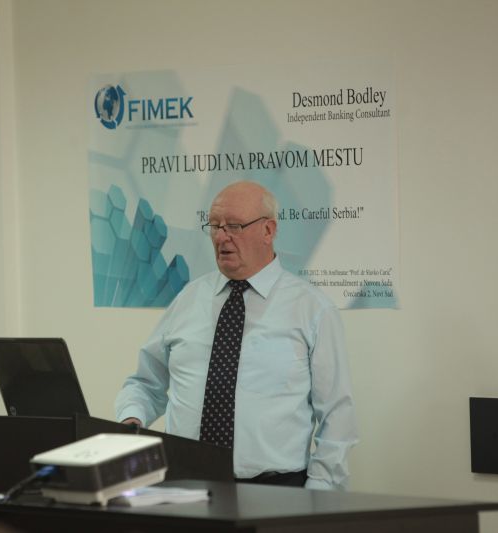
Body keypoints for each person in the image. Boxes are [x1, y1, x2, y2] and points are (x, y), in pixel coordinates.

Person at [114, 180, 358, 489]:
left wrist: (319, 492)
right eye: (214, 226)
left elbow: (337, 416)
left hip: (276, 492)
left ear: (268, 230)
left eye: (234, 226)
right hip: (184, 486)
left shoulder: (312, 309)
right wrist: (132, 419)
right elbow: (145, 383)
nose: (220, 237)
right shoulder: (188, 299)